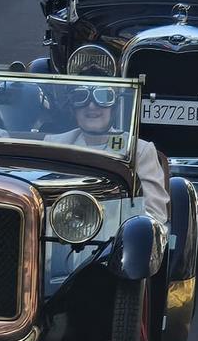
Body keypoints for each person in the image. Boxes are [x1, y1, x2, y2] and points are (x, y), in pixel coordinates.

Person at [44, 72, 169, 226]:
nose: (91, 106)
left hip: (114, 241)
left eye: (103, 96)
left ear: (114, 106)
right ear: (73, 109)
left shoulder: (139, 151)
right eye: (81, 97)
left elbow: (155, 215)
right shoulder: (55, 145)